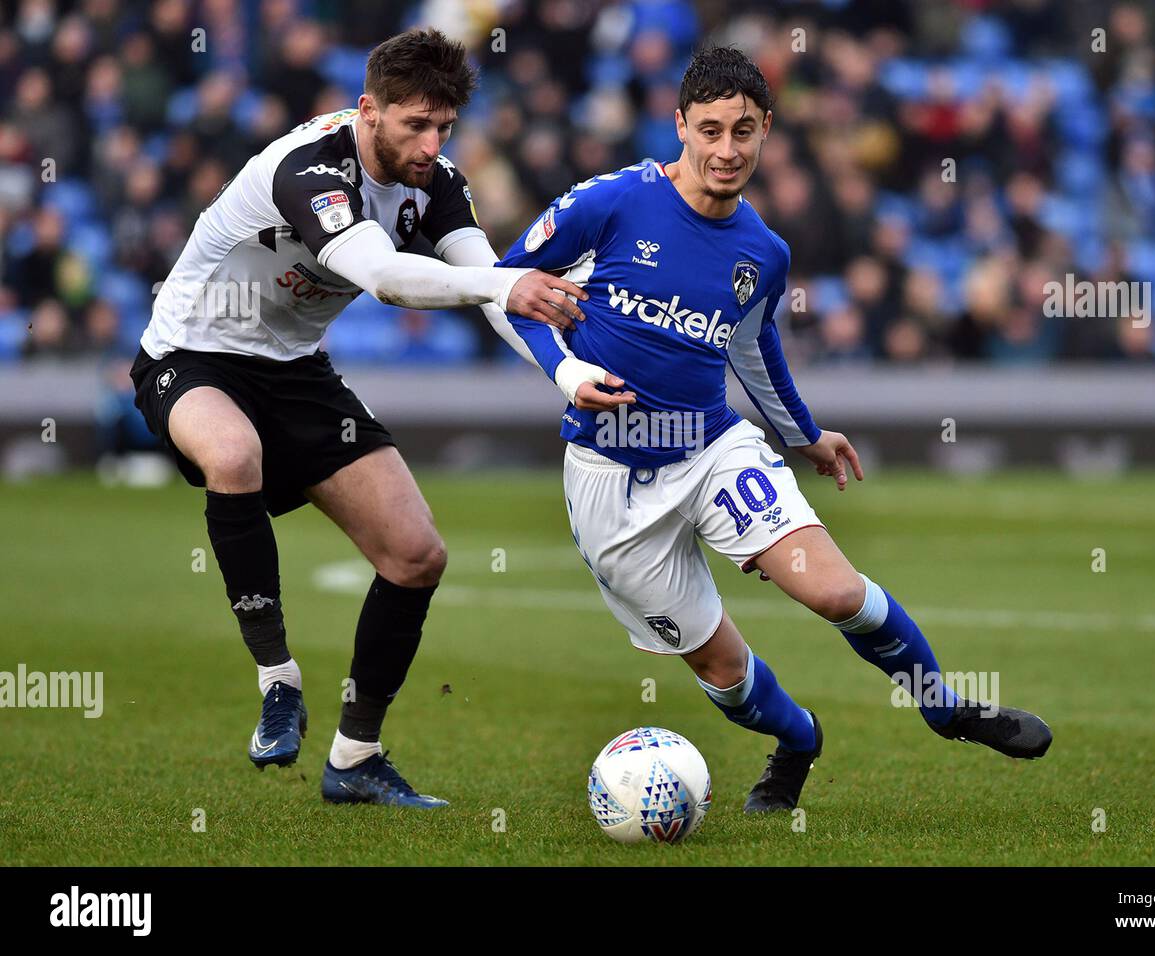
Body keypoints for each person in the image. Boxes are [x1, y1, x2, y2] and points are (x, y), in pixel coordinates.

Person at [497, 46, 1052, 816]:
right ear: (681, 126)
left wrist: (805, 434)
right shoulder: (610, 204)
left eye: (746, 132)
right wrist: (565, 375)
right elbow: (505, 289)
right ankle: (798, 741)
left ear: (767, 133)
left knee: (835, 592)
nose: (728, 150)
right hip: (608, 482)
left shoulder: (762, 252)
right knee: (727, 679)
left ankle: (945, 706)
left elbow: (754, 348)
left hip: (713, 450)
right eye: (713, 130)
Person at [130, 28, 619, 808]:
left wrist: (566, 372)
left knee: (417, 555)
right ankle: (278, 681)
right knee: (233, 456)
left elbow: (491, 290)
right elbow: (386, 277)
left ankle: (355, 758)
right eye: (415, 125)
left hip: (296, 372)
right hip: (193, 356)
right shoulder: (311, 168)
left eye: (445, 128)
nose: (431, 144)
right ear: (369, 110)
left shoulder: (438, 182)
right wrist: (503, 286)